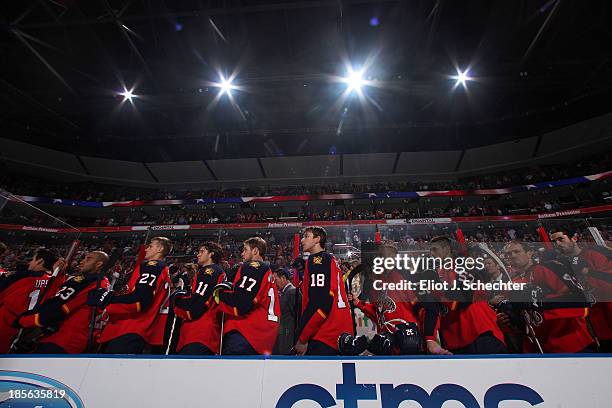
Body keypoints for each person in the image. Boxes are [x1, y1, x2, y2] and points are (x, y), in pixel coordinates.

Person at [348, 241, 451, 355]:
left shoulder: (407, 277)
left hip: (411, 346)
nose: (381, 259)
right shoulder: (376, 283)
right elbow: (379, 312)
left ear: (395, 256)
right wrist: (359, 303)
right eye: (380, 256)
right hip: (388, 347)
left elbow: (428, 309)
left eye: (385, 255)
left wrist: (430, 340)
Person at [499, 240, 595, 353]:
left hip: (571, 344)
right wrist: (507, 320)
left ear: (529, 253)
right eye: (508, 254)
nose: (512, 256)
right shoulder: (511, 284)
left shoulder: (550, 267)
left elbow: (580, 303)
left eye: (516, 251)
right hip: (537, 349)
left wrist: (539, 301)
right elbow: (520, 322)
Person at [90, 237, 172, 354]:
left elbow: (139, 300)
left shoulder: (152, 266)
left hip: (129, 328)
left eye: (150, 246)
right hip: (134, 330)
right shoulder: (160, 269)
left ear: (160, 249)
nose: (146, 249)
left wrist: (108, 300)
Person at [17, 251, 110, 354]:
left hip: (63, 341)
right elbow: (60, 294)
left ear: (99, 264)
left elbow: (59, 308)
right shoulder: (96, 281)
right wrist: (60, 274)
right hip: (66, 340)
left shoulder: (94, 284)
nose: (82, 261)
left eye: (88, 259)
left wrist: (26, 320)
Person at [429, 236, 507, 354]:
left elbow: (465, 299)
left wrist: (437, 293)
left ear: (446, 249)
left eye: (435, 249)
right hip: (456, 335)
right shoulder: (442, 270)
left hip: (478, 331)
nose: (431, 254)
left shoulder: (462, 266)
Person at [213, 237, 279, 355]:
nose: (242, 253)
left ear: (255, 251)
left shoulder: (254, 266)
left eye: (245, 249)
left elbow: (241, 302)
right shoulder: (267, 271)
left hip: (245, 332)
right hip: (262, 336)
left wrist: (219, 294)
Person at [550, 230, 612, 352]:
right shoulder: (558, 265)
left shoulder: (595, 255)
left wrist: (586, 271)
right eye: (554, 241)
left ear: (574, 238)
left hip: (606, 325)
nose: (557, 244)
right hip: (585, 332)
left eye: (561, 239)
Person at [294, 226, 353, 355]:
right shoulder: (329, 259)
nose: (302, 240)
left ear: (317, 239)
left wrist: (303, 337)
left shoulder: (318, 260)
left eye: (306, 236)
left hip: (324, 334)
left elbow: (319, 303)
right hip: (338, 333)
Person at [0, 248, 58, 353]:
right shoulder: (51, 282)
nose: (29, 262)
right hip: (25, 327)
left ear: (40, 261)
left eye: (32, 259)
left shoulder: (23, 277)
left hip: (6, 320)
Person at [173, 242, 226, 355]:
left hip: (199, 332)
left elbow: (196, 305)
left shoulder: (210, 271)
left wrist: (178, 299)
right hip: (203, 333)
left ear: (211, 254)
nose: (198, 254)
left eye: (202, 251)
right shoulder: (214, 271)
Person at [272, 267, 300, 355]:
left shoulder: (292, 292)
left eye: (275, 279)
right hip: (282, 336)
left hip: (288, 337)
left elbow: (298, 317)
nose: (274, 283)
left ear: (283, 278)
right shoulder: (284, 292)